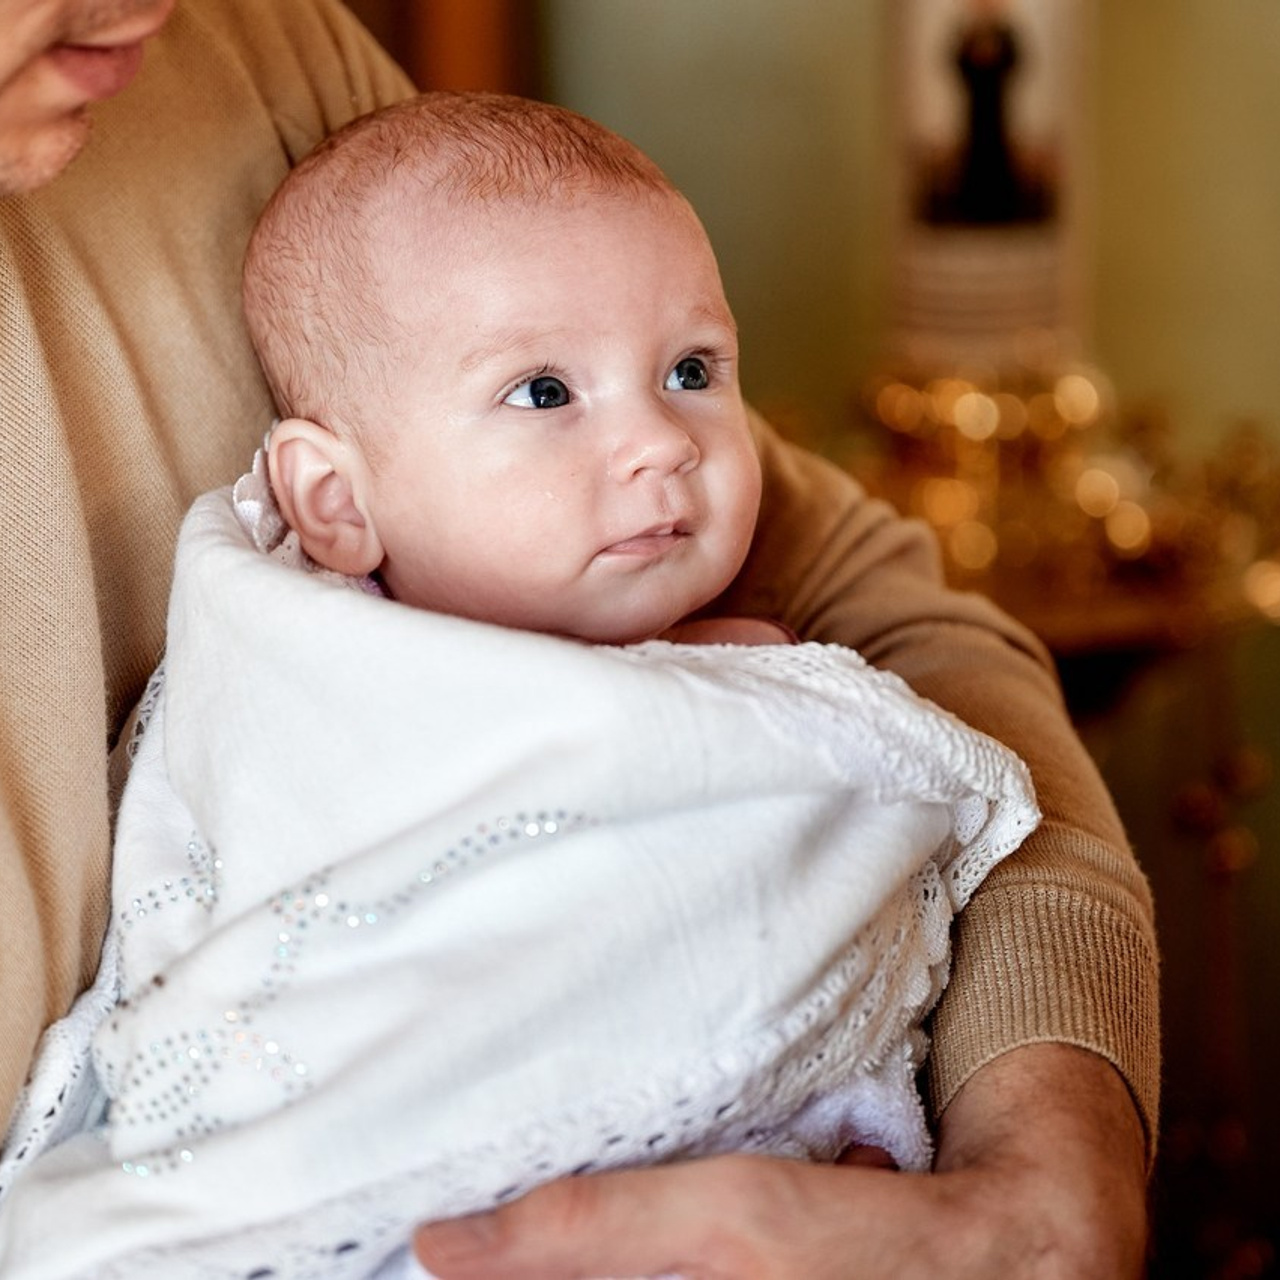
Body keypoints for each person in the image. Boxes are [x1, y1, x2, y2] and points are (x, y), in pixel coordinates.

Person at [0, 0, 1155, 1276]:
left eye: (694, 370)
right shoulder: (305, 681)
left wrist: (1045, 1164)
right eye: (544, 393)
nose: (662, 441)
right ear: (330, 503)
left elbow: (899, 612)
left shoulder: (244, 57)